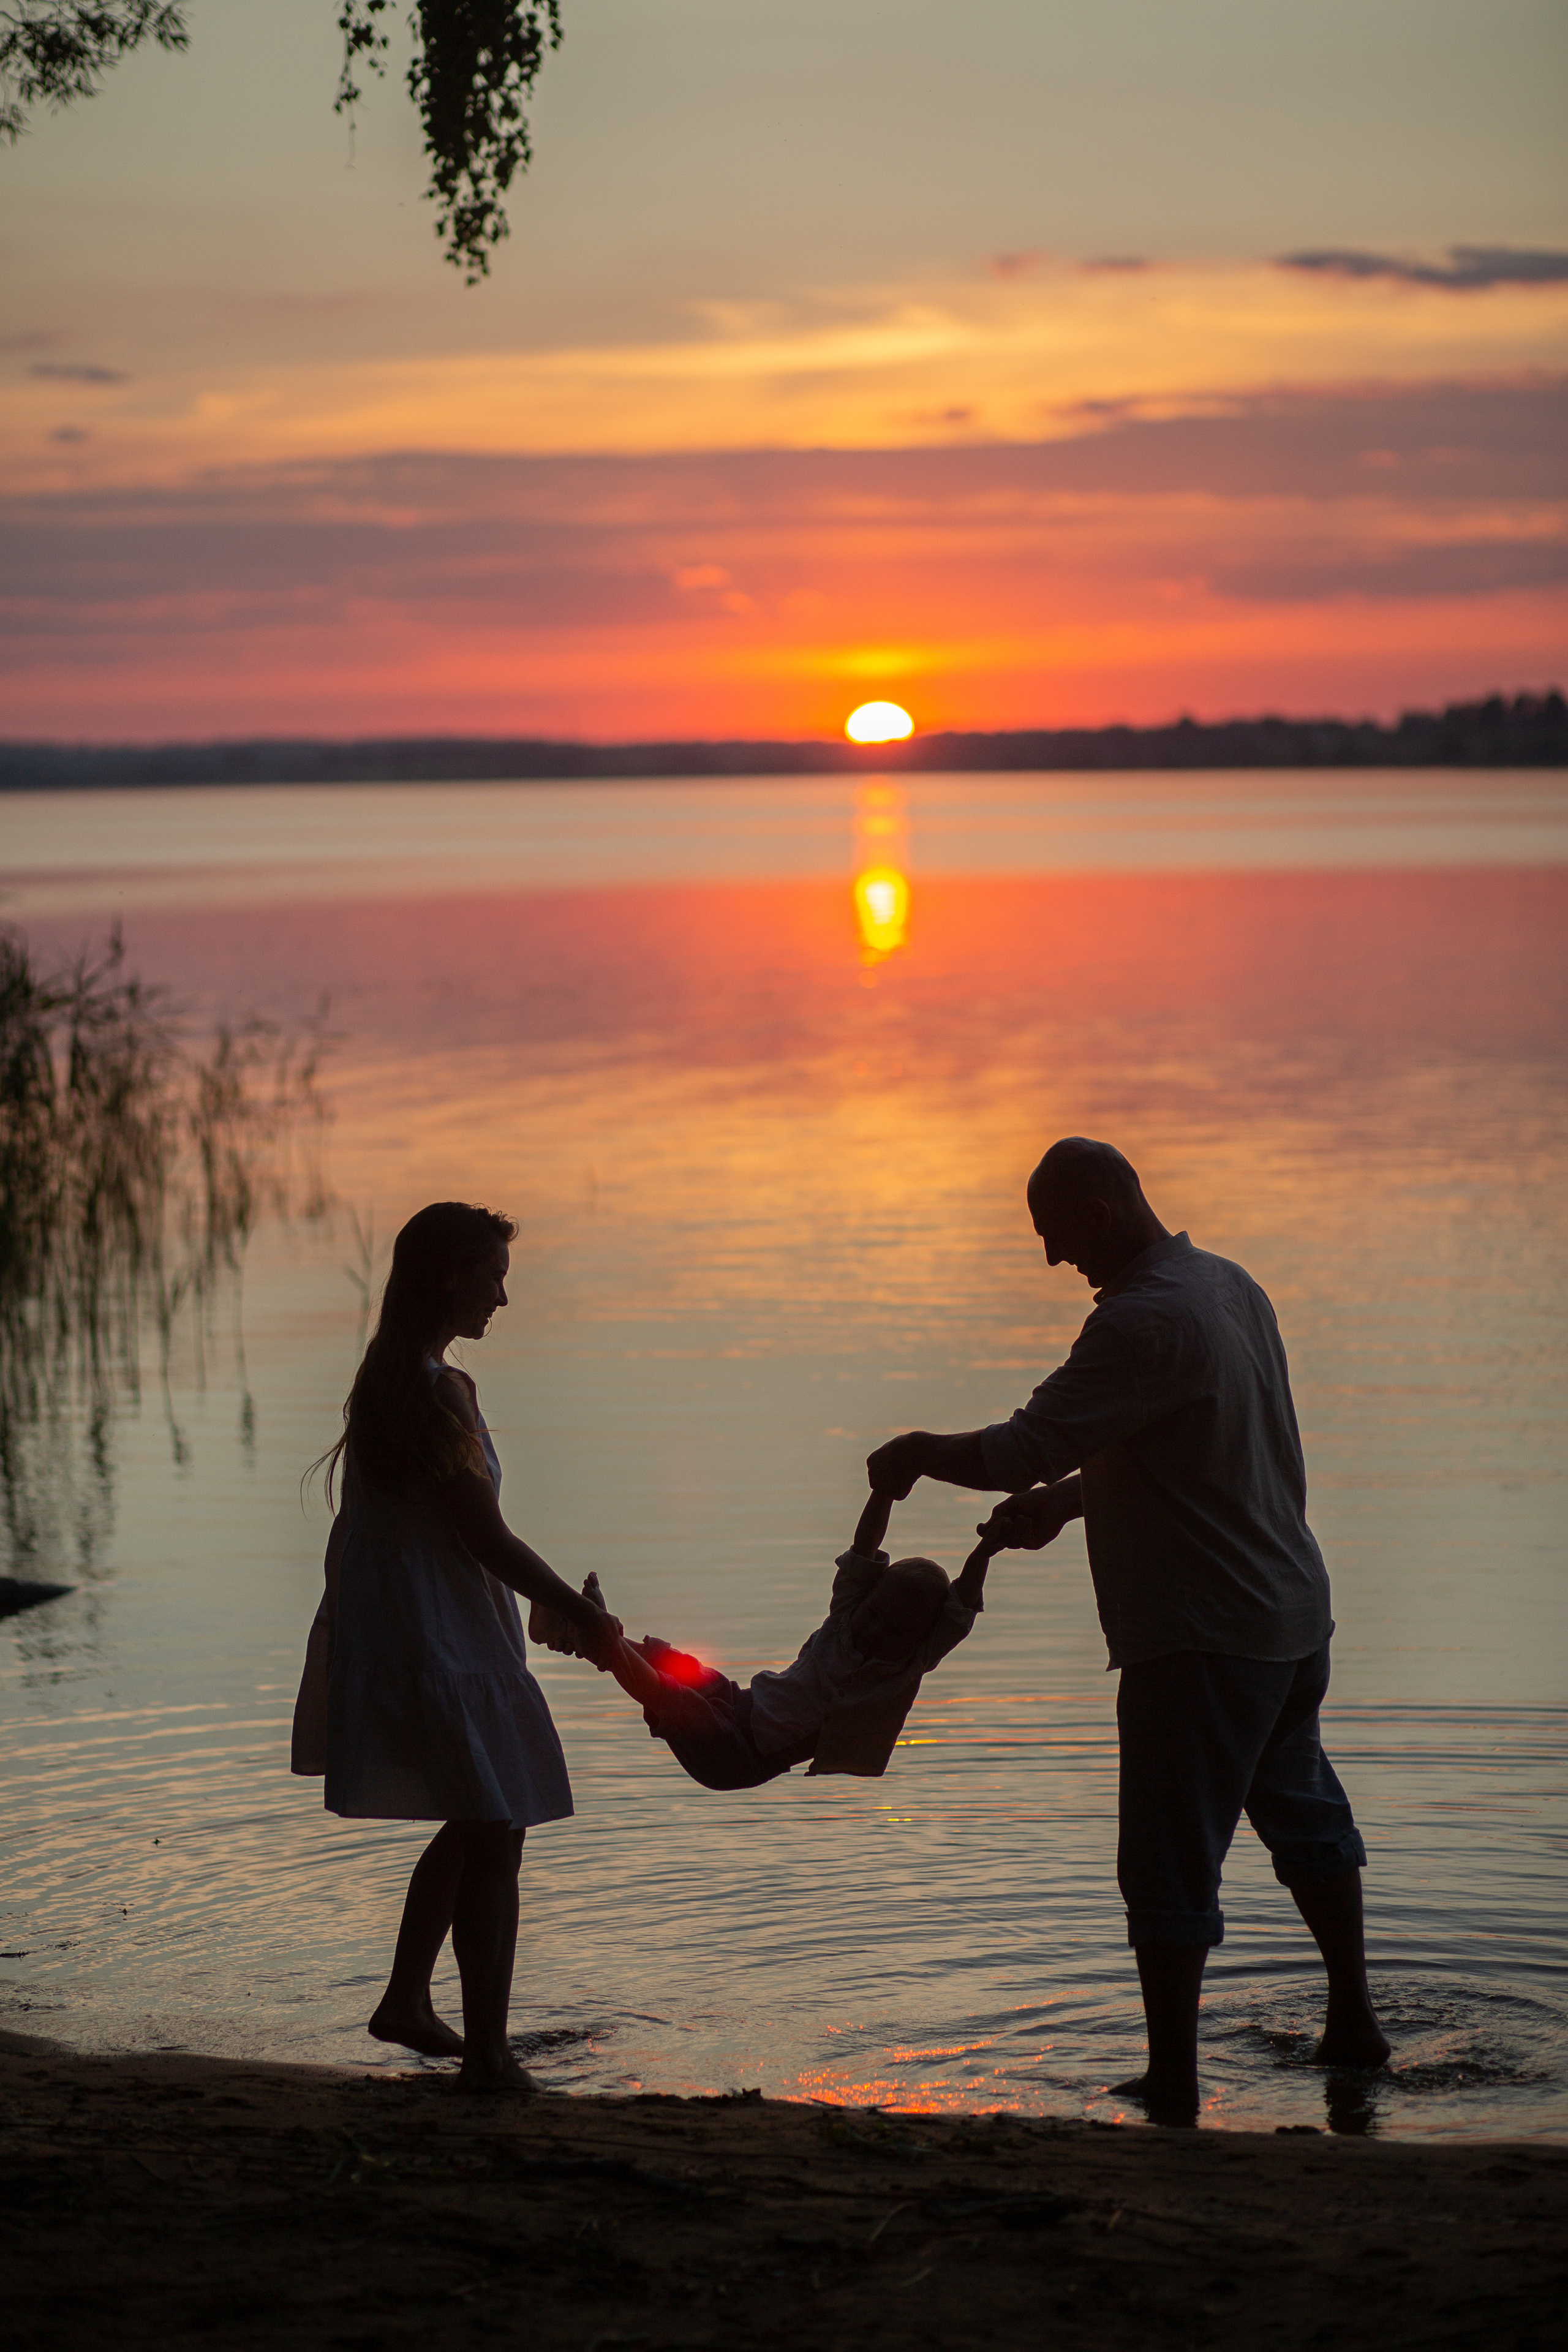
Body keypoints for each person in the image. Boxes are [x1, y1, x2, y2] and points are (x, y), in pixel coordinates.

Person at [865, 1136, 1390, 2124]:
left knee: (1165, 1859)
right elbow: (1188, 1441)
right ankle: (1354, 2024)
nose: (1055, 1261)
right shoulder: (1227, 1286)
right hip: (1289, 1615)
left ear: (1099, 1213)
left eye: (1055, 1236)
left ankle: (1176, 2083)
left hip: (1201, 1636)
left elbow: (1018, 1446)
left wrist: (916, 1453)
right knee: (1306, 1817)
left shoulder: (1141, 1322)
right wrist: (1070, 1507)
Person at [292, 1201, 618, 2094]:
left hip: (403, 1626)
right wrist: (576, 1611)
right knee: (495, 1824)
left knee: (483, 1813)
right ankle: (488, 2058)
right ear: (450, 1278)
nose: (503, 1299)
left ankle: (408, 1999)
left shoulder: (387, 1378)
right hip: (443, 1636)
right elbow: (485, 1535)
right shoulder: (441, 1391)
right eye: (494, 1277)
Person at [531, 1489, 992, 1788]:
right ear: (865, 1600)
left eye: (894, 1630)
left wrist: (986, 1549)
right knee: (688, 1671)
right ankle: (579, 1632)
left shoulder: (909, 1662)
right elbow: (864, 1550)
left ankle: (599, 1633)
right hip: (740, 1704)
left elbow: (960, 1608)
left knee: (678, 1702)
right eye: (874, 1615)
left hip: (742, 1757)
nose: (875, 1631)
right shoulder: (845, 1617)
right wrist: (884, 1492)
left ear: (918, 1638)